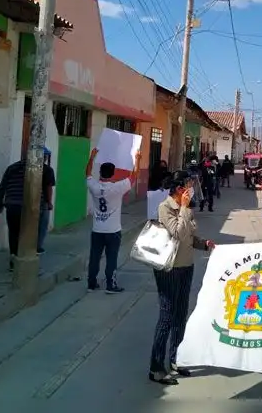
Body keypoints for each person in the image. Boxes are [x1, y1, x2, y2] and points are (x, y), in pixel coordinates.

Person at [149, 173, 216, 385]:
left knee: (180, 315)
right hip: (169, 269)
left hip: (186, 266)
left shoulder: (186, 208)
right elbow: (177, 232)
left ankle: (177, 358)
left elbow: (187, 236)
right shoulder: (165, 208)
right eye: (188, 185)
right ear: (179, 189)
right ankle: (156, 367)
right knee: (167, 316)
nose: (191, 188)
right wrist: (185, 209)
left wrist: (203, 244)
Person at [85, 148, 140, 293]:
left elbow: (87, 174)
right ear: (113, 173)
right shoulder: (117, 188)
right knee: (111, 258)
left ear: (100, 173)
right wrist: (137, 159)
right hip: (113, 230)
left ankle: (91, 283)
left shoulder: (94, 187)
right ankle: (111, 284)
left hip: (97, 229)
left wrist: (92, 158)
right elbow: (133, 177)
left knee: (95, 257)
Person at [0, 150, 56, 271]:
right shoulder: (44, 169)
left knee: (14, 233)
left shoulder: (12, 168)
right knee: (32, 234)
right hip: (30, 207)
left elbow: (3, 186)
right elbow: (48, 188)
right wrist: (49, 203)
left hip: (12, 205)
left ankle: (14, 260)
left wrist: (0, 203)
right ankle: (29, 261)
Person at [38, 147, 56, 255]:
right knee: (42, 225)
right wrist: (49, 202)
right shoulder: (48, 170)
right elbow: (49, 187)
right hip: (42, 201)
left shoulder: (26, 167)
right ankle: (38, 246)